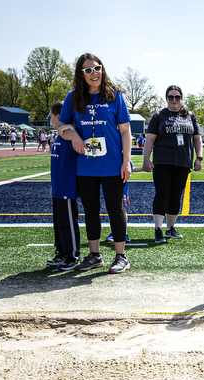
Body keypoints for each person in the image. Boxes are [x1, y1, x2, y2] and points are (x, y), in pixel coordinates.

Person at [56, 53, 132, 275]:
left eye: (97, 68)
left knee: (115, 210)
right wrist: (74, 136)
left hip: (112, 165)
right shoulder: (73, 97)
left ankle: (121, 256)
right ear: (81, 74)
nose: (94, 73)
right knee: (90, 211)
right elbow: (62, 126)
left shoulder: (114, 96)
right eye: (88, 70)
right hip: (85, 166)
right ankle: (95, 255)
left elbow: (125, 131)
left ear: (102, 69)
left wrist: (127, 162)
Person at [142, 85, 203, 243]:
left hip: (183, 163)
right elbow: (150, 139)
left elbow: (197, 138)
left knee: (176, 196)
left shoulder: (190, 115)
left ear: (182, 98)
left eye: (177, 97)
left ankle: (170, 228)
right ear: (166, 98)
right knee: (162, 194)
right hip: (162, 161)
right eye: (171, 97)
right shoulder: (158, 115)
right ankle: (158, 229)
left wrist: (199, 157)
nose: (174, 100)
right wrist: (146, 159)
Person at [47, 102, 80, 270]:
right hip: (59, 187)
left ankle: (72, 255)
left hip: (68, 187)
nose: (50, 120)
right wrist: (54, 185)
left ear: (58, 117)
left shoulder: (70, 136)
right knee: (59, 223)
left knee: (68, 223)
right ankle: (61, 252)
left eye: (51, 117)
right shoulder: (59, 136)